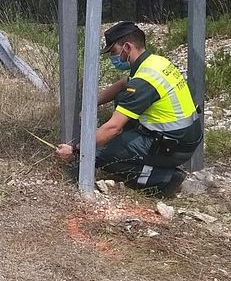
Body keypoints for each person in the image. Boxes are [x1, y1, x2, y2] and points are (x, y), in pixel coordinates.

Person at [56, 21, 202, 197]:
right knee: (121, 101)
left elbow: (113, 128)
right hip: (184, 137)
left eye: (114, 52)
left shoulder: (144, 82)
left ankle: (163, 178)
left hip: (173, 147)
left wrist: (76, 149)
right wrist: (90, 103)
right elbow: (124, 83)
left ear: (126, 47)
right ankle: (147, 158)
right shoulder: (155, 62)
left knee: (101, 153)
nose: (113, 57)